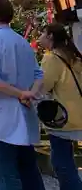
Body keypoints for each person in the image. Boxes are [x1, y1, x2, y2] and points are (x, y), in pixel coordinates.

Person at [0, 0, 45, 190]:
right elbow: (39, 74)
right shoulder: (22, 42)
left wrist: (20, 93)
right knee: (29, 174)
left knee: (5, 178)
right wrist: (30, 92)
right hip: (24, 117)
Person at [38, 23, 82, 190]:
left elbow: (44, 86)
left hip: (61, 118)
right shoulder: (73, 56)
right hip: (77, 115)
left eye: (42, 33)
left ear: (50, 36)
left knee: (62, 165)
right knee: (67, 162)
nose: (39, 37)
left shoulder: (51, 58)